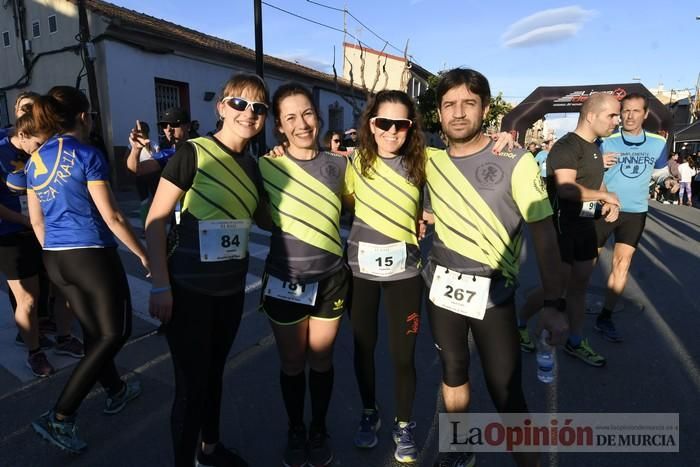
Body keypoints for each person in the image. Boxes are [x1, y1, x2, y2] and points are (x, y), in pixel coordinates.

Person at [421, 68, 567, 467]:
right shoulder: (430, 161)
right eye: (449, 104)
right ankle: (457, 449)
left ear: (485, 109)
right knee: (453, 372)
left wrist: (554, 303)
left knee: (507, 394)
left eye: (469, 103)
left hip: (493, 294)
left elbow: (544, 236)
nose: (458, 112)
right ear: (438, 112)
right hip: (441, 287)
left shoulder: (515, 160)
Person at [146, 73, 270, 467]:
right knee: (191, 387)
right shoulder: (193, 153)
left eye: (258, 108)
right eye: (239, 103)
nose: (248, 114)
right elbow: (155, 220)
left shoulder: (254, 167)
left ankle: (210, 451)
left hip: (230, 293)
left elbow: (269, 220)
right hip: (188, 294)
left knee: (214, 375)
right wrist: (161, 286)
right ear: (221, 107)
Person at [26, 86, 148, 453]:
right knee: (116, 332)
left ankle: (116, 389)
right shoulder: (87, 155)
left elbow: (36, 220)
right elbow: (111, 215)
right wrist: (143, 254)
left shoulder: (35, 160)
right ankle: (61, 415)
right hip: (91, 253)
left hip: (56, 256)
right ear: (84, 117)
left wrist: (55, 250)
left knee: (96, 331)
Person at [259, 82, 353, 467]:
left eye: (308, 114)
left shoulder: (341, 164)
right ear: (279, 126)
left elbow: (353, 207)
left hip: (331, 276)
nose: (302, 124)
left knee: (322, 359)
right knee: (293, 362)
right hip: (285, 279)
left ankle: (319, 427)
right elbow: (257, 214)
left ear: (318, 116)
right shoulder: (266, 165)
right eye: (291, 118)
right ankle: (295, 428)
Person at [345, 90, 426, 463]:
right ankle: (368, 412)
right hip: (361, 272)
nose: (392, 131)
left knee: (402, 354)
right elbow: (345, 204)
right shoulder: (354, 162)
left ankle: (404, 424)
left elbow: (470, 159)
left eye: (401, 124)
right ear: (371, 125)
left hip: (405, 273)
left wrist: (503, 138)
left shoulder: (425, 162)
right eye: (384, 123)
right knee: (363, 347)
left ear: (411, 128)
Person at [518, 93, 621, 365]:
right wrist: (603, 198)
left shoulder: (596, 147)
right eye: (612, 115)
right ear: (591, 115)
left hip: (586, 226)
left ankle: (575, 342)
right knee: (555, 289)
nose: (617, 120)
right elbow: (566, 188)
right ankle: (520, 324)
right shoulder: (566, 147)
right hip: (561, 228)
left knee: (580, 287)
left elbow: (597, 184)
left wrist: (609, 200)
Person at [592, 93, 668, 341]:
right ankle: (564, 307)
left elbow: (660, 173)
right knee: (586, 263)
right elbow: (586, 169)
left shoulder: (657, 142)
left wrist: (669, 181)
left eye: (636, 111)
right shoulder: (606, 140)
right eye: (625, 111)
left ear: (645, 114)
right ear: (619, 113)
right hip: (605, 208)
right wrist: (598, 164)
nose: (630, 116)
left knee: (622, 264)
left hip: (635, 212)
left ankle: (605, 316)